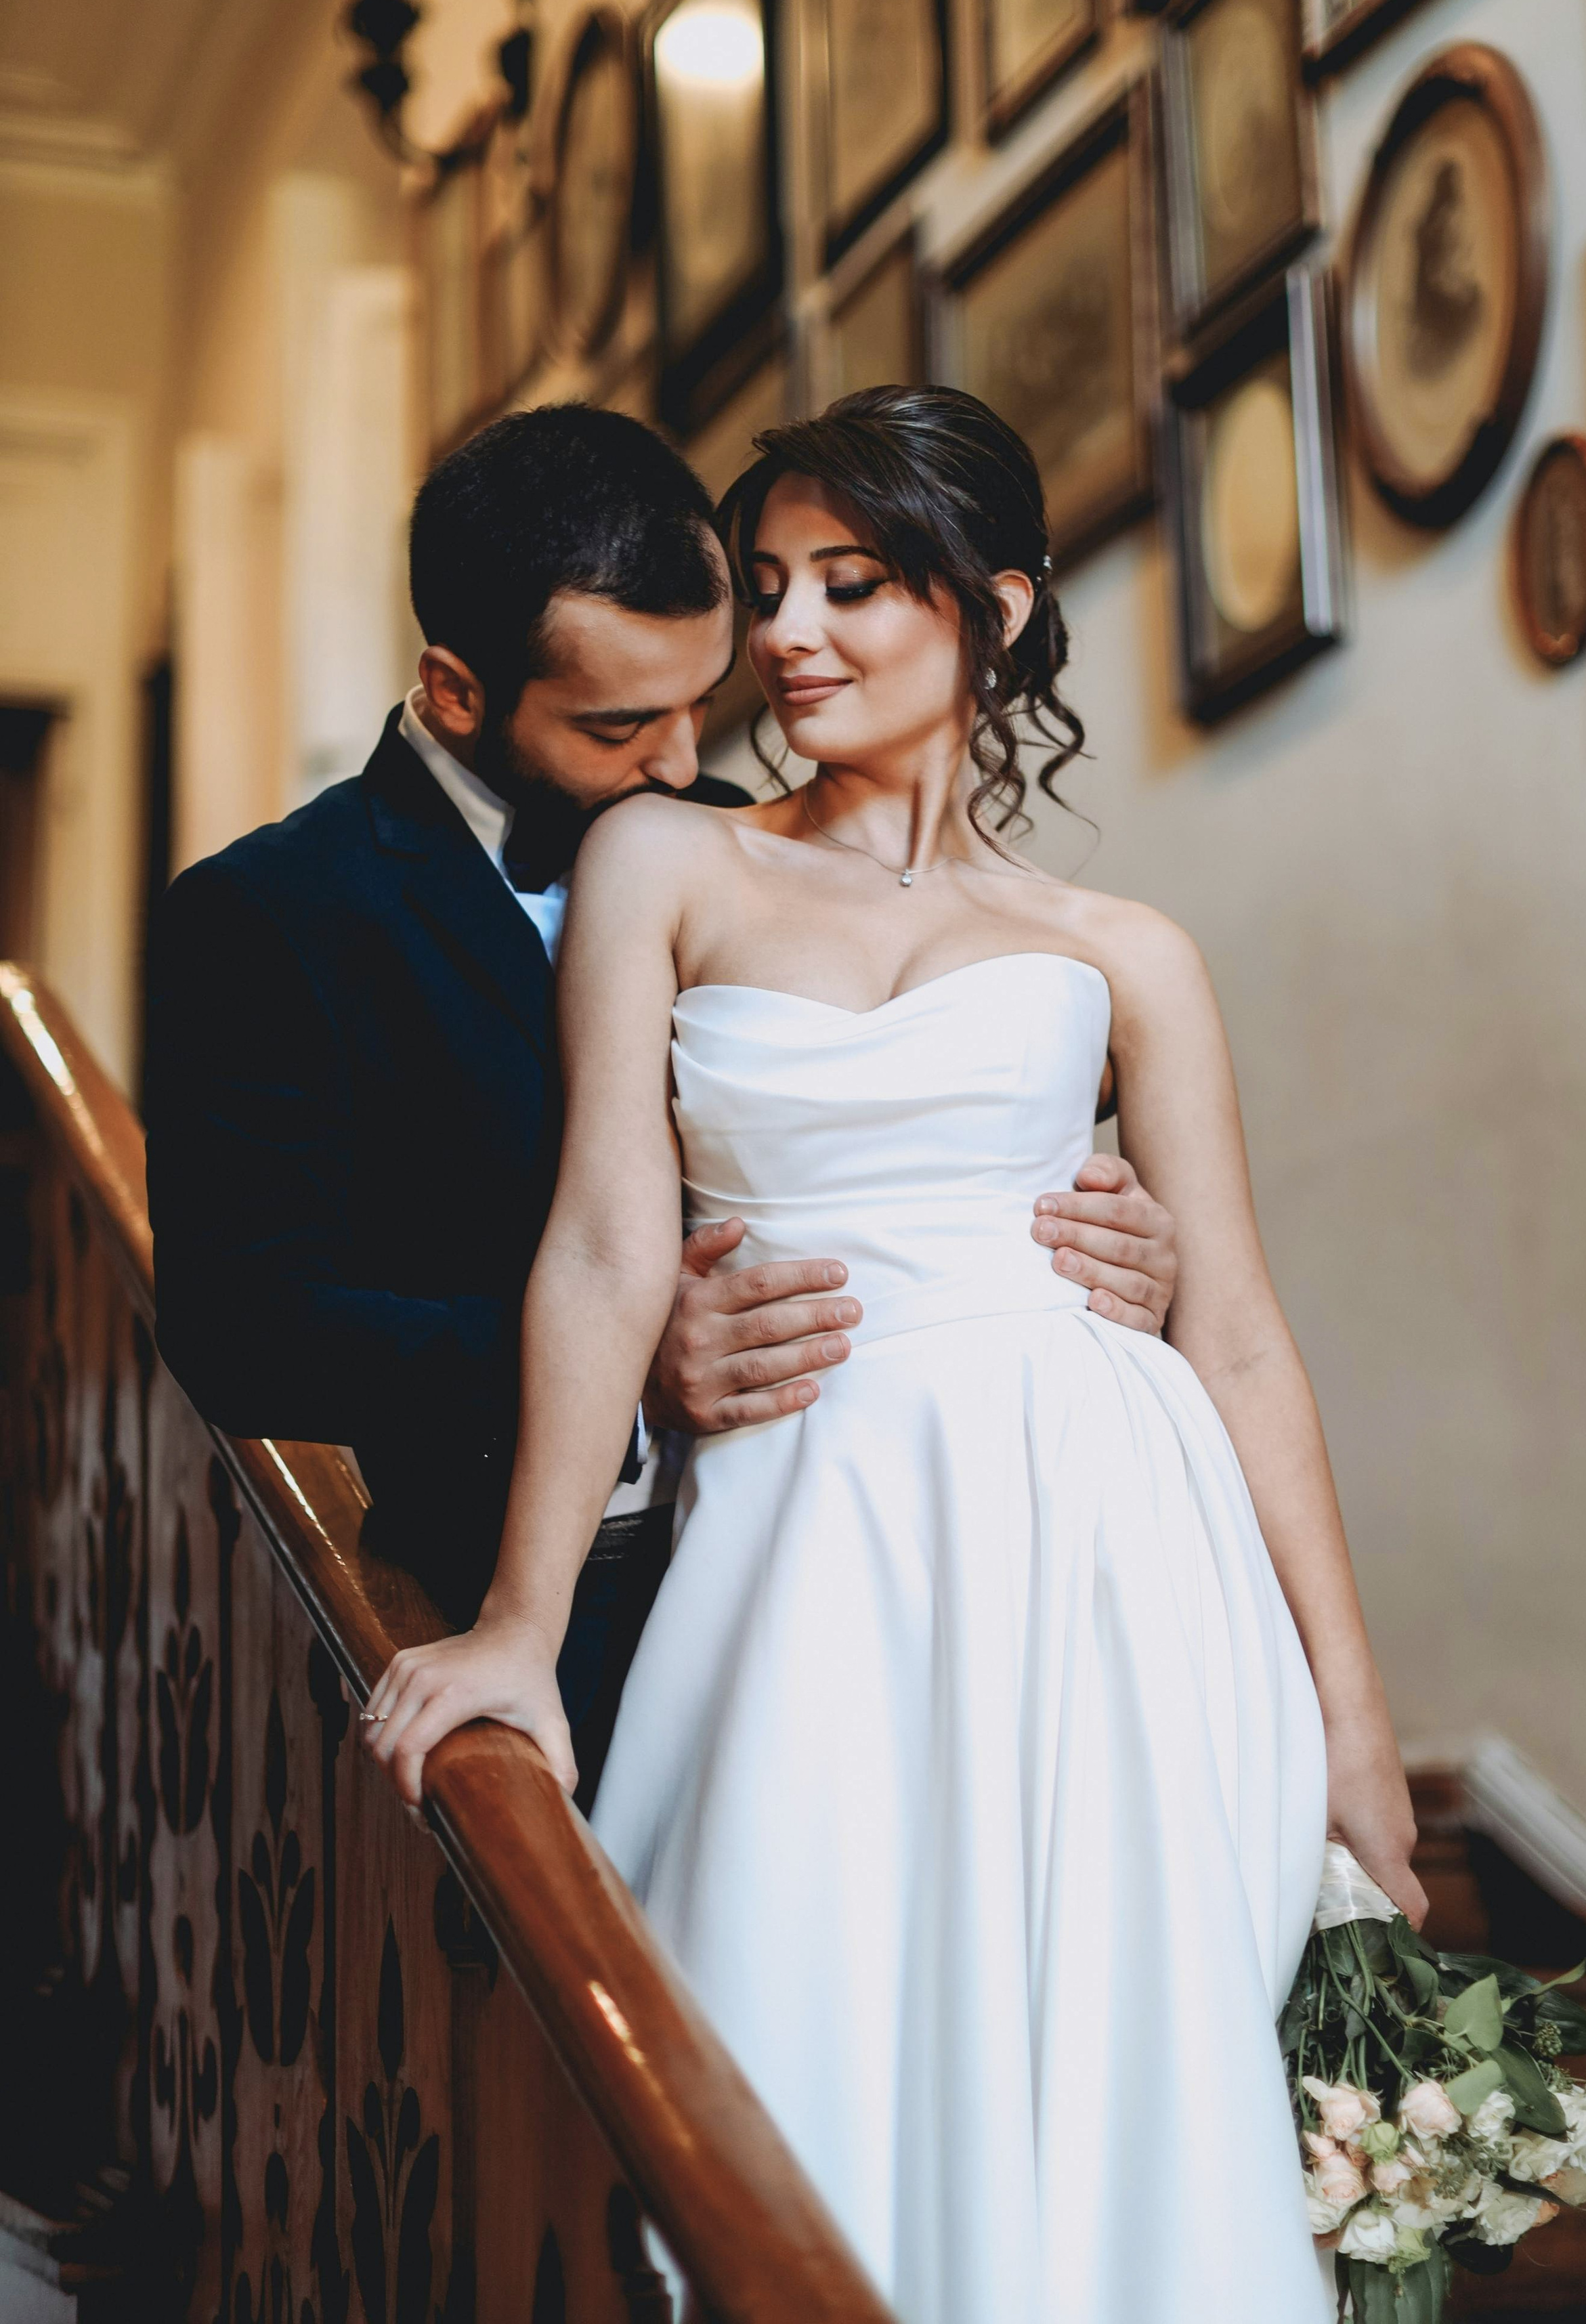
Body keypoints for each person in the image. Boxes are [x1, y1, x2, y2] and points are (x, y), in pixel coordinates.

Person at [364, 385, 1421, 2321]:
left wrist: (1354, 1729)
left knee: (1112, 2095)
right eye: (768, 583)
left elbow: (1241, 1339)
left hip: (1107, 1547)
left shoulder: (1126, 949)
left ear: (992, 611)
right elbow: (603, 1245)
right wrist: (520, 1620)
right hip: (810, 1537)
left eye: (851, 584)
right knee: (791, 2030)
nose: (786, 633)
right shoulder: (667, 865)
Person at [146, 402, 1176, 1800]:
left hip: (845, 1555)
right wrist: (624, 1359)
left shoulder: (739, 842)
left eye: (707, 699)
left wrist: (1110, 1243)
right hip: (523, 1587)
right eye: (625, 723)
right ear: (455, 690)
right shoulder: (271, 917)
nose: (690, 762)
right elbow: (242, 1328)